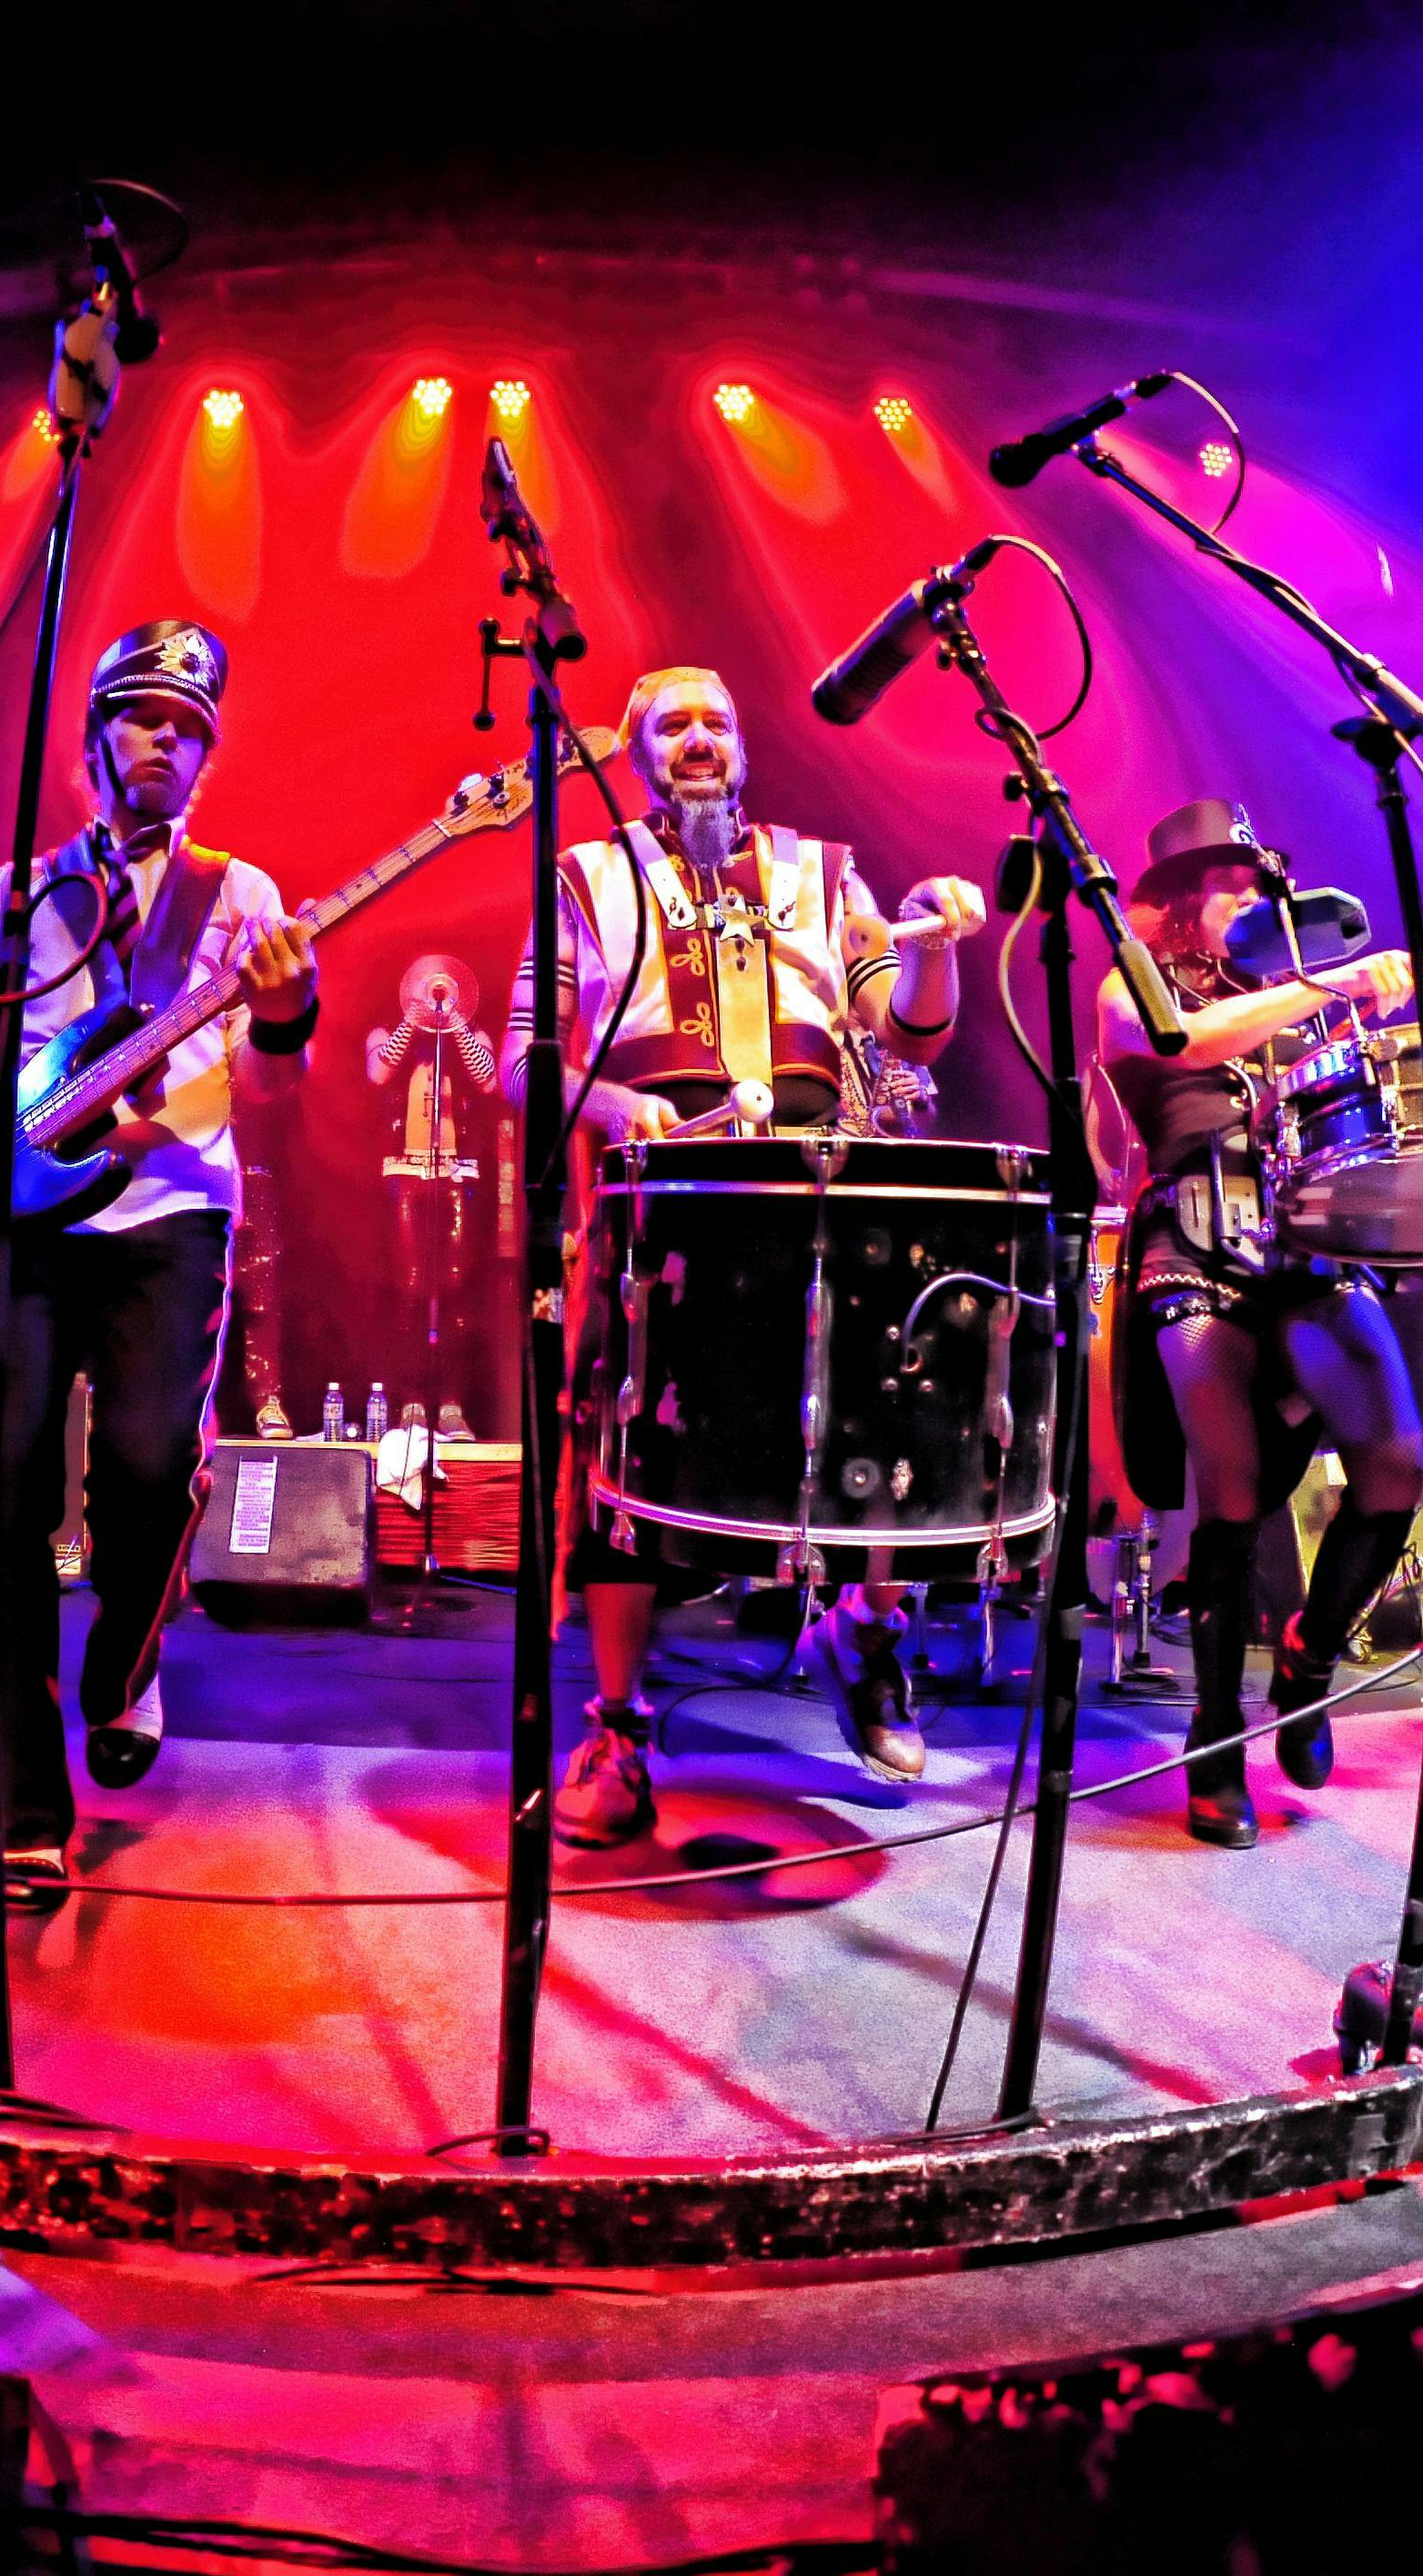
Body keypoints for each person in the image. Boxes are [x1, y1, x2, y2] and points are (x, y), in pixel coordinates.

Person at [0, 620, 318, 1902]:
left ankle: (124, 1659)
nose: (164, 743)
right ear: (94, 739)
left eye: (188, 729)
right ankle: (24, 1804)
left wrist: (284, 1006)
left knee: (146, 1467)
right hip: (21, 1215)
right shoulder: (18, 893)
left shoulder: (241, 895)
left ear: (209, 756)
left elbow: (272, 1080)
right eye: (142, 718)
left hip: (171, 1209)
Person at [506, 664, 988, 1846]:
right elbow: (522, 1058)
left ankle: (866, 1634)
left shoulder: (822, 875)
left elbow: (905, 1025)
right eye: (672, 725)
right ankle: (617, 1726)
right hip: (655, 1204)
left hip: (820, 1193)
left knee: (879, 1414)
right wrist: (611, 1103)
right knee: (626, 1458)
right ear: (634, 755)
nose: (698, 740)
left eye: (717, 722)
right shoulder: (583, 876)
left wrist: (936, 947)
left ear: (744, 748)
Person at [1091, 800, 1423, 1847]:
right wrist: (1327, 985)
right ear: (1177, 900)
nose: (1248, 898)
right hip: (1190, 1246)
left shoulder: (1289, 996)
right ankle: (1213, 1739)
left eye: (1255, 882)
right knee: (1226, 1495)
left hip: (1305, 1247)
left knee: (1394, 1464)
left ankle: (1308, 1655)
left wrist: (1365, 1022)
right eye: (1226, 884)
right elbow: (1180, 1042)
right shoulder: (1130, 981)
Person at [363, 953, 496, 1437]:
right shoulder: (383, 1033)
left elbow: (488, 1081)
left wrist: (455, 1027)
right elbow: (378, 1073)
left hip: (458, 1174)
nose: (434, 996)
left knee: (456, 1290)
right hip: (404, 1173)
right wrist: (411, 1023)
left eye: (441, 989)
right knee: (409, 1288)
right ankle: (412, 1401)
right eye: (424, 988)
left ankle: (453, 1404)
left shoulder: (472, 1036)